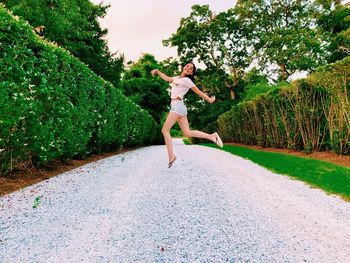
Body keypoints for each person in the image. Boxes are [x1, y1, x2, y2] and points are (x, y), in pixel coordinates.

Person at [151, 62, 223, 168]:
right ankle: (212, 136)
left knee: (165, 130)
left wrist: (209, 100)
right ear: (184, 67)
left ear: (191, 72)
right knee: (187, 133)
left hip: (177, 106)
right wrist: (157, 71)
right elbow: (166, 78)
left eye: (191, 68)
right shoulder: (176, 78)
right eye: (187, 66)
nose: (188, 68)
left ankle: (171, 156)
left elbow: (198, 92)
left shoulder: (187, 81)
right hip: (180, 108)